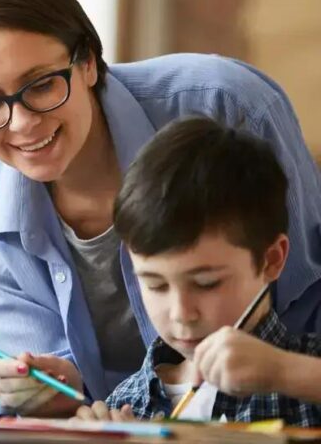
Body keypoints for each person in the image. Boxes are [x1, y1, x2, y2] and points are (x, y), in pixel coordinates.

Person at [0, 0, 321, 416]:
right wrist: (58, 396)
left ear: (89, 63)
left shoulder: (227, 106)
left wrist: (289, 376)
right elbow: (75, 405)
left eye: (40, 85)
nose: (22, 123)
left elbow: (310, 293)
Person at [76, 117, 321, 425]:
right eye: (156, 286)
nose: (181, 313)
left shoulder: (308, 373)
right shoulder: (126, 405)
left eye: (207, 283)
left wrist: (287, 373)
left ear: (271, 260)